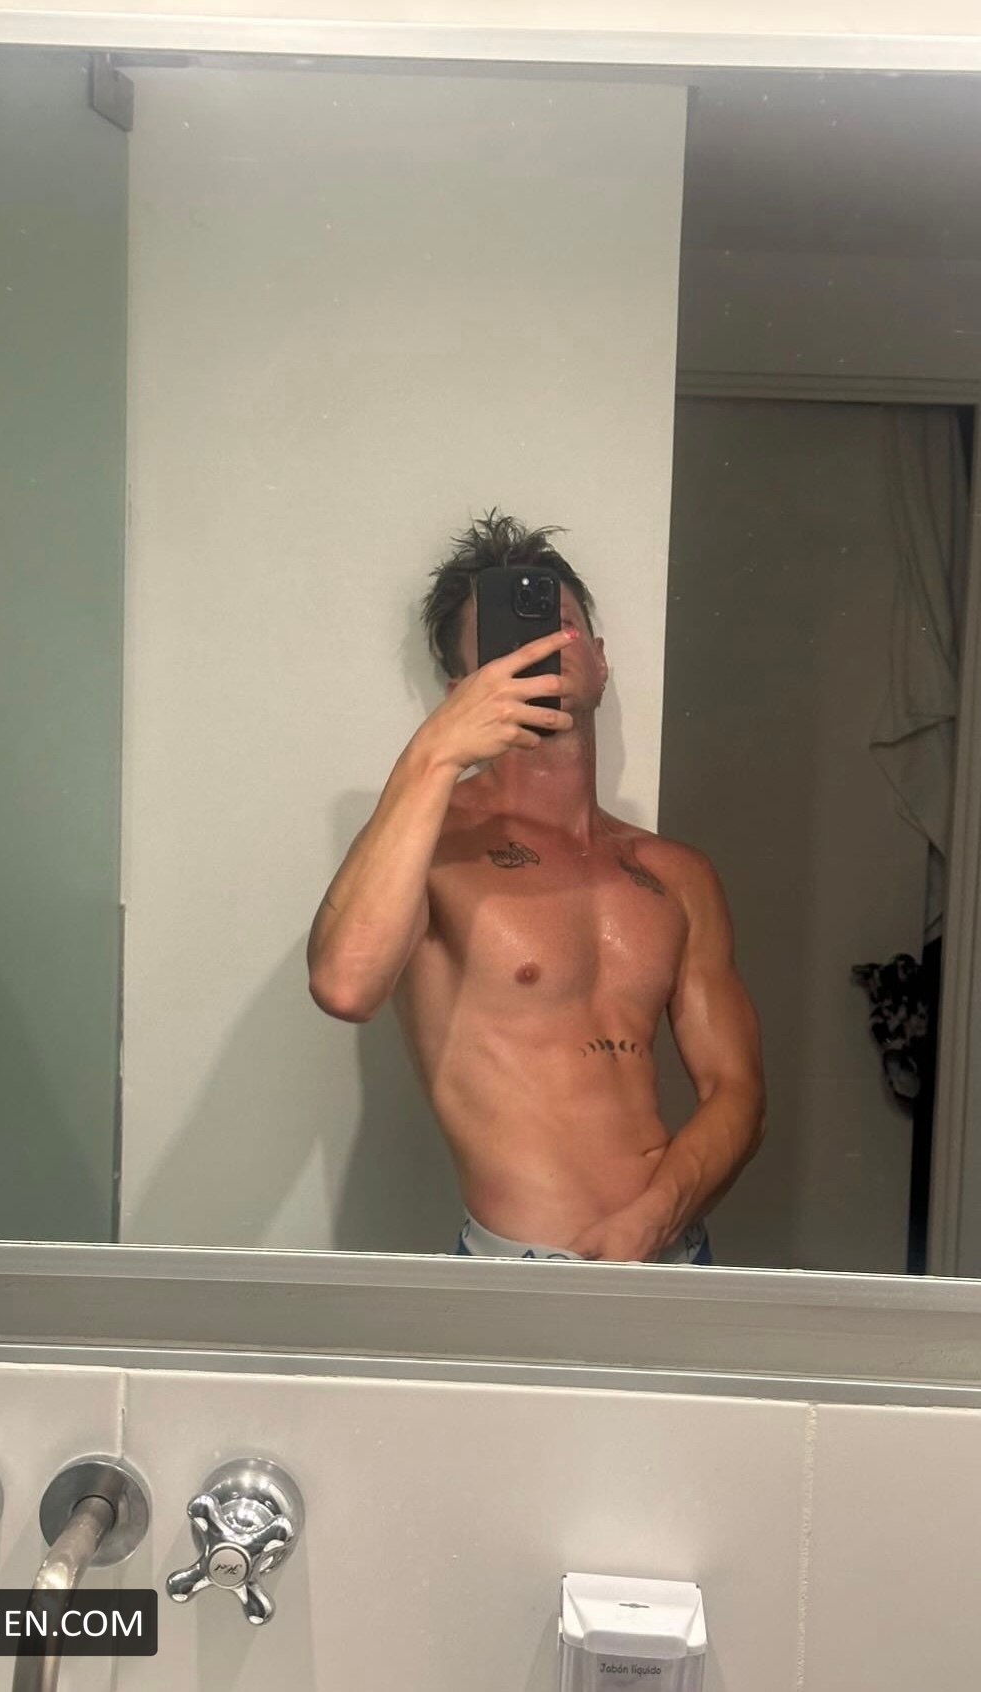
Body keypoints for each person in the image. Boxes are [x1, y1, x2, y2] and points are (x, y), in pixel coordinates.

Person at [307, 513, 765, 1263]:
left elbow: (736, 1090)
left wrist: (655, 1218)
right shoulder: (430, 847)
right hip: (523, 1272)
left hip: (677, 1252)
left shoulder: (676, 874)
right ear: (464, 688)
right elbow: (344, 986)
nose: (546, 643)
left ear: (601, 662)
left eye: (564, 624)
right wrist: (436, 752)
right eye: (513, 638)